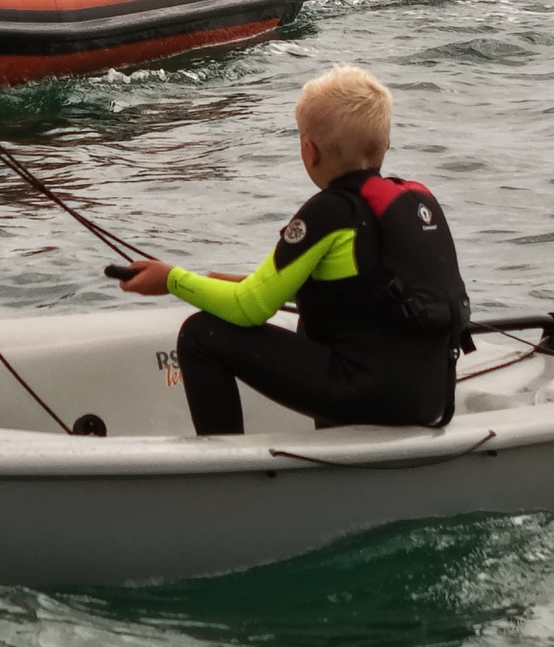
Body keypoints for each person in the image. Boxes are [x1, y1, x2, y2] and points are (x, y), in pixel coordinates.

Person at [119, 66, 472, 436]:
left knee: (201, 334)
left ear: (309, 150)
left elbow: (248, 308)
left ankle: (224, 471)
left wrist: (171, 280)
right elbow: (363, 291)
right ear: (384, 144)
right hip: (428, 397)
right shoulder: (412, 202)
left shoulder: (331, 210)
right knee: (325, 329)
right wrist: (241, 282)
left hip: (368, 397)